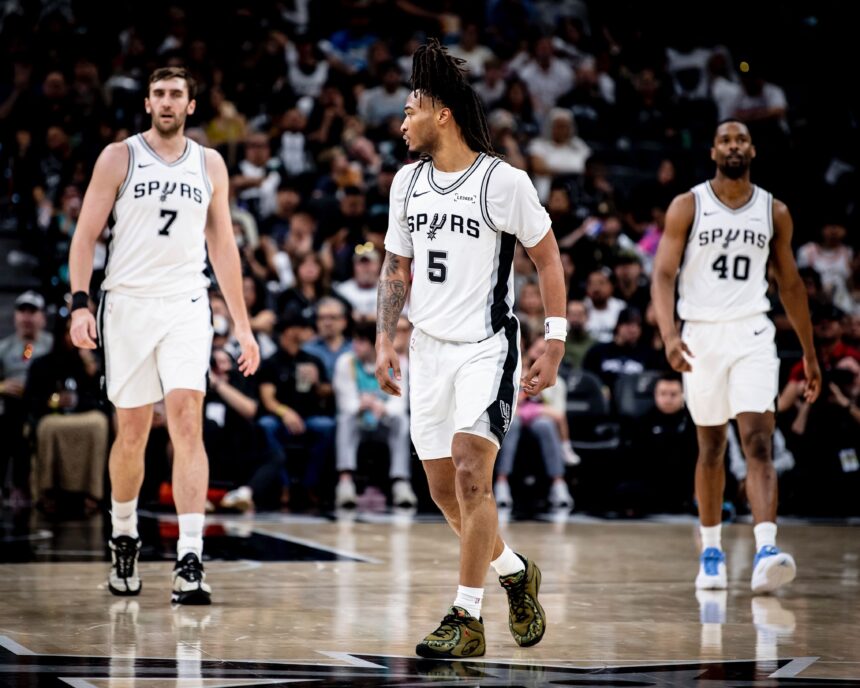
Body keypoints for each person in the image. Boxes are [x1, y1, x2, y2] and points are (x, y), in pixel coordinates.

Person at [375, 39, 567, 658]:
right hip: (427, 349)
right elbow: (395, 268)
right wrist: (385, 339)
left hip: (486, 346)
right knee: (441, 489)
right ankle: (513, 572)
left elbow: (547, 256)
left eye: (410, 110)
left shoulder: (501, 181)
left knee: (469, 472)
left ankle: (468, 616)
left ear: (442, 114)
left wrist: (554, 340)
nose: (401, 123)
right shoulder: (406, 184)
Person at [69, 67, 260, 605]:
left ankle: (190, 558)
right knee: (131, 431)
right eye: (159, 94)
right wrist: (79, 304)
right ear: (149, 102)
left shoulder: (210, 163)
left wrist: (242, 326)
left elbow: (224, 248)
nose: (167, 101)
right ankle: (124, 535)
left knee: (186, 420)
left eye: (177, 93)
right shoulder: (119, 156)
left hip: (186, 304)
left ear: (192, 105)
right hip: (126, 303)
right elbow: (85, 237)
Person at [651, 119, 821, 594]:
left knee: (759, 442)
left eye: (741, 139)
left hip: (752, 332)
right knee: (711, 447)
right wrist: (669, 335)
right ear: (712, 151)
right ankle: (711, 551)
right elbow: (662, 276)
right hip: (701, 335)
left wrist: (809, 353)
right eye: (725, 139)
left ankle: (766, 548)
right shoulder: (688, 205)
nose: (733, 145)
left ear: (753, 151)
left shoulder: (774, 211)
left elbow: (790, 285)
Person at [333, 322, 416, 509]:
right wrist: (363, 404)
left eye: (361, 341)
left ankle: (400, 482)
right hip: (359, 424)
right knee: (345, 420)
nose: (356, 346)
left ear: (374, 344)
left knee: (401, 421)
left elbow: (400, 403)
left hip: (383, 423)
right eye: (355, 340)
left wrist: (382, 407)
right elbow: (345, 403)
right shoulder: (346, 363)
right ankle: (345, 482)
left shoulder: (398, 362)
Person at [0, 291, 54, 507]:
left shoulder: (52, 344)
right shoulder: (4, 347)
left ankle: (24, 485)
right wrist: (2, 386)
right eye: (22, 311)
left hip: (45, 404)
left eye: (32, 311)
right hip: (12, 405)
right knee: (8, 423)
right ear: (15, 316)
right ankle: (14, 485)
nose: (26, 317)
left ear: (42, 317)